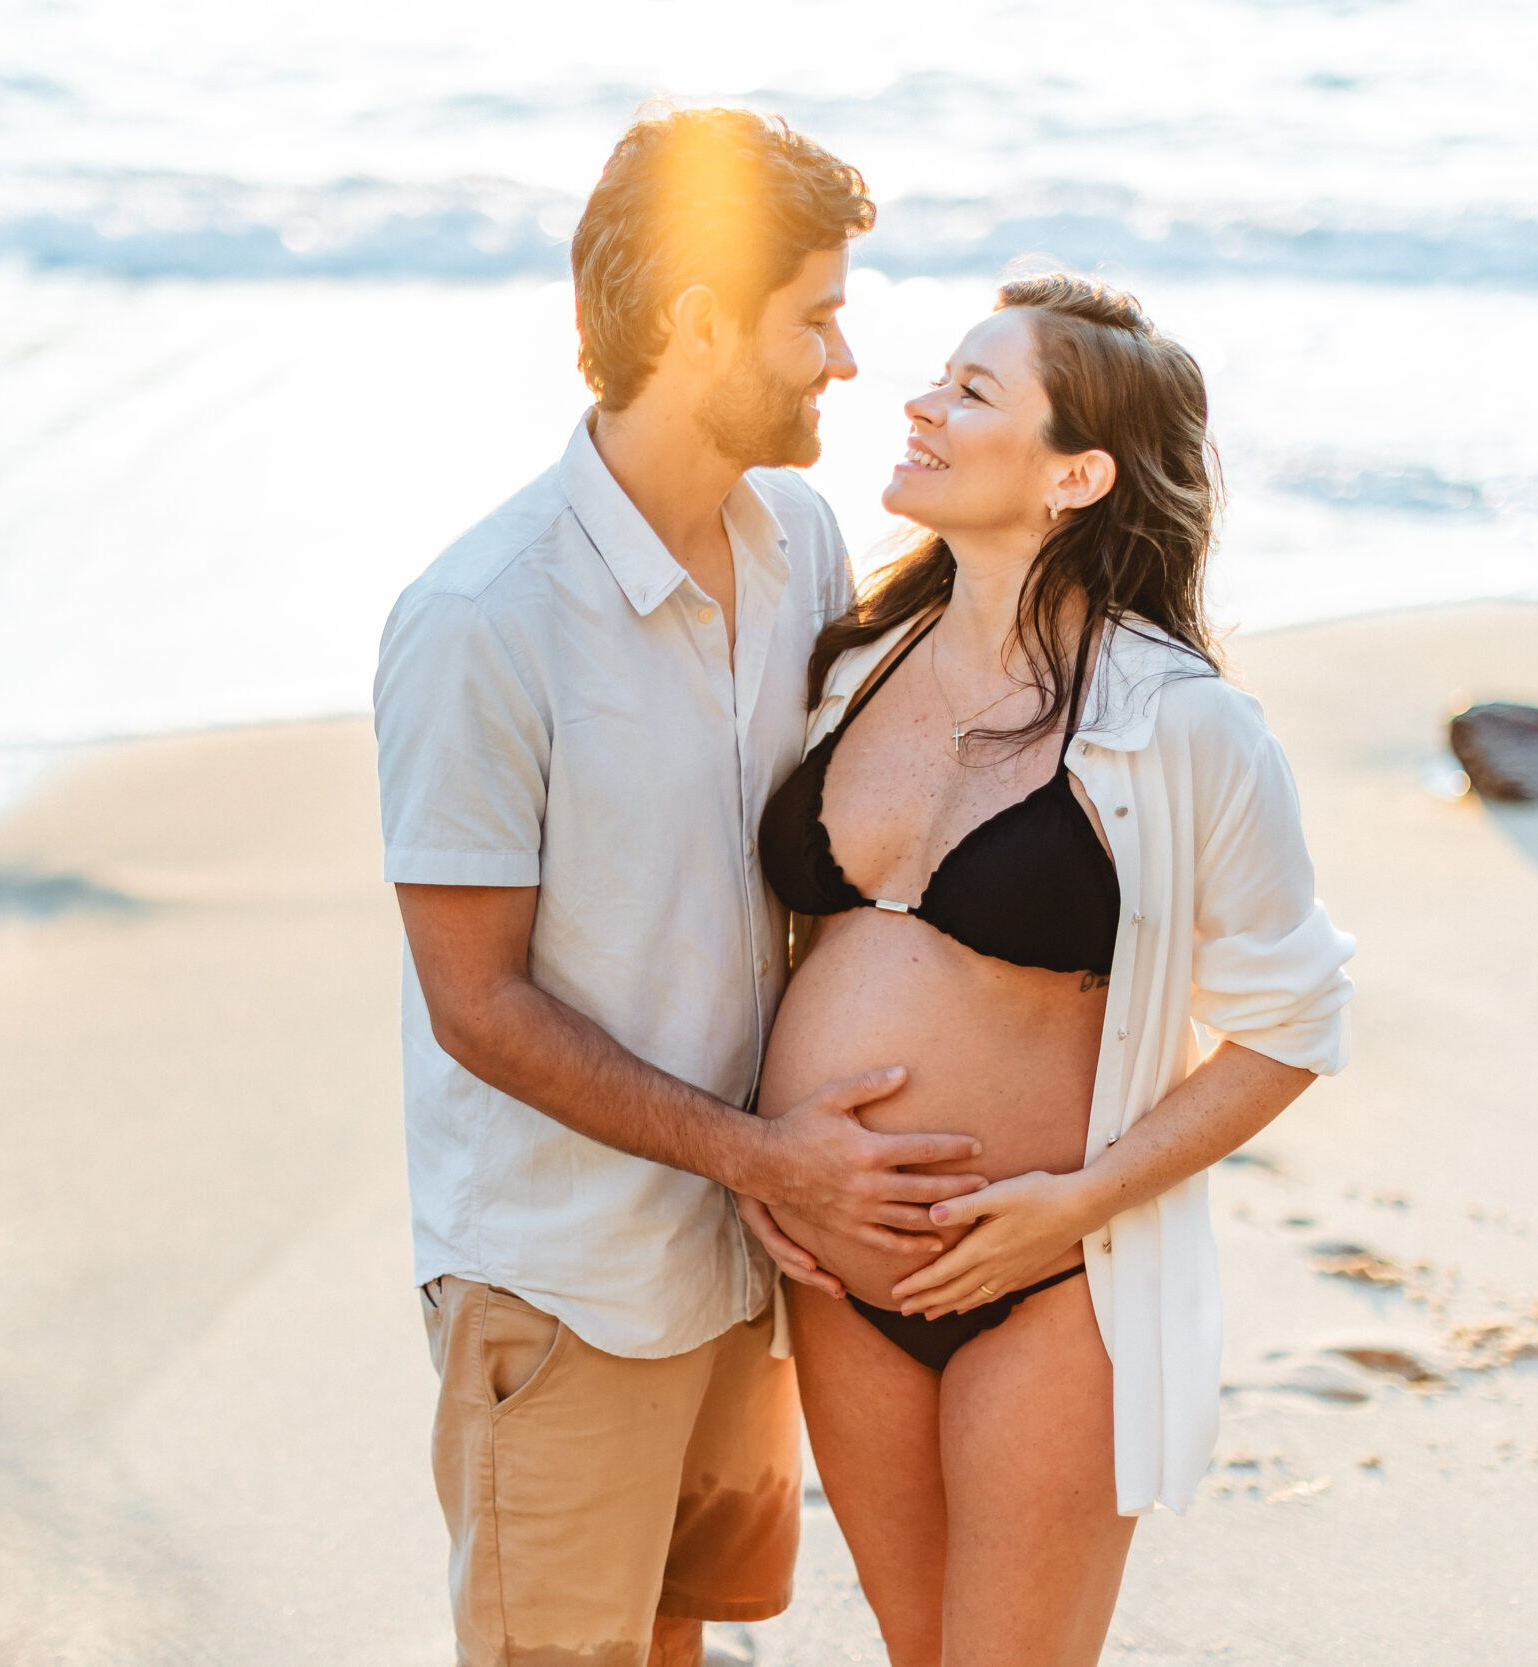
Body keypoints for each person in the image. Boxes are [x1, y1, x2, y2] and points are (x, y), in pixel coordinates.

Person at [373, 108, 990, 1667]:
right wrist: (766, 1159)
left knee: (680, 1639)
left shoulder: (797, 539)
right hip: (566, 1279)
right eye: (816, 316)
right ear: (704, 321)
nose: (844, 361)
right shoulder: (480, 622)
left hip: (744, 1264)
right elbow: (477, 1006)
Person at [743, 270, 1355, 1666]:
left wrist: (1074, 1203)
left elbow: (1296, 1020)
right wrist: (764, 1160)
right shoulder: (850, 666)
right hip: (841, 1273)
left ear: (1076, 472)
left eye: (972, 390)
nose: (918, 401)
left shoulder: (1184, 727)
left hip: (1053, 1286)